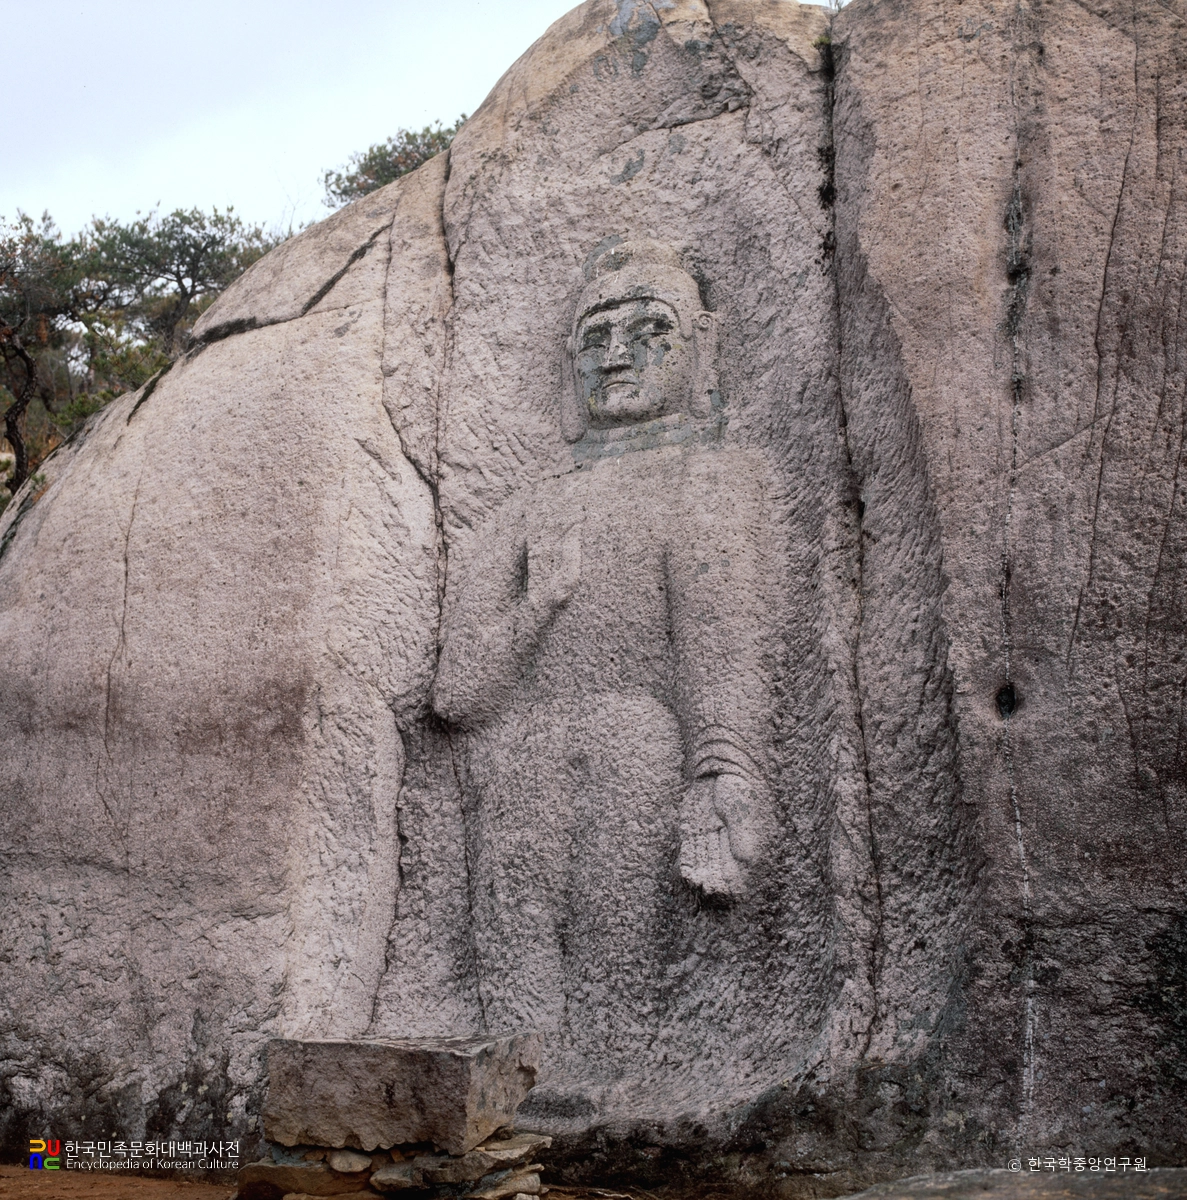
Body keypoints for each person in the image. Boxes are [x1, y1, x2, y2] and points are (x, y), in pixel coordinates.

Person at [432, 240, 779, 1114]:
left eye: (648, 329)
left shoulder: (710, 479)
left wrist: (724, 768)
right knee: (512, 922)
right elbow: (456, 694)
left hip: (637, 740)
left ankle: (609, 1082)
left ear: (700, 346)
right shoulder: (528, 509)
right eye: (595, 336)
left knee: (612, 932)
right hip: (519, 753)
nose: (616, 354)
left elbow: (720, 642)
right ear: (568, 361)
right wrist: (538, 602)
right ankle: (515, 1094)